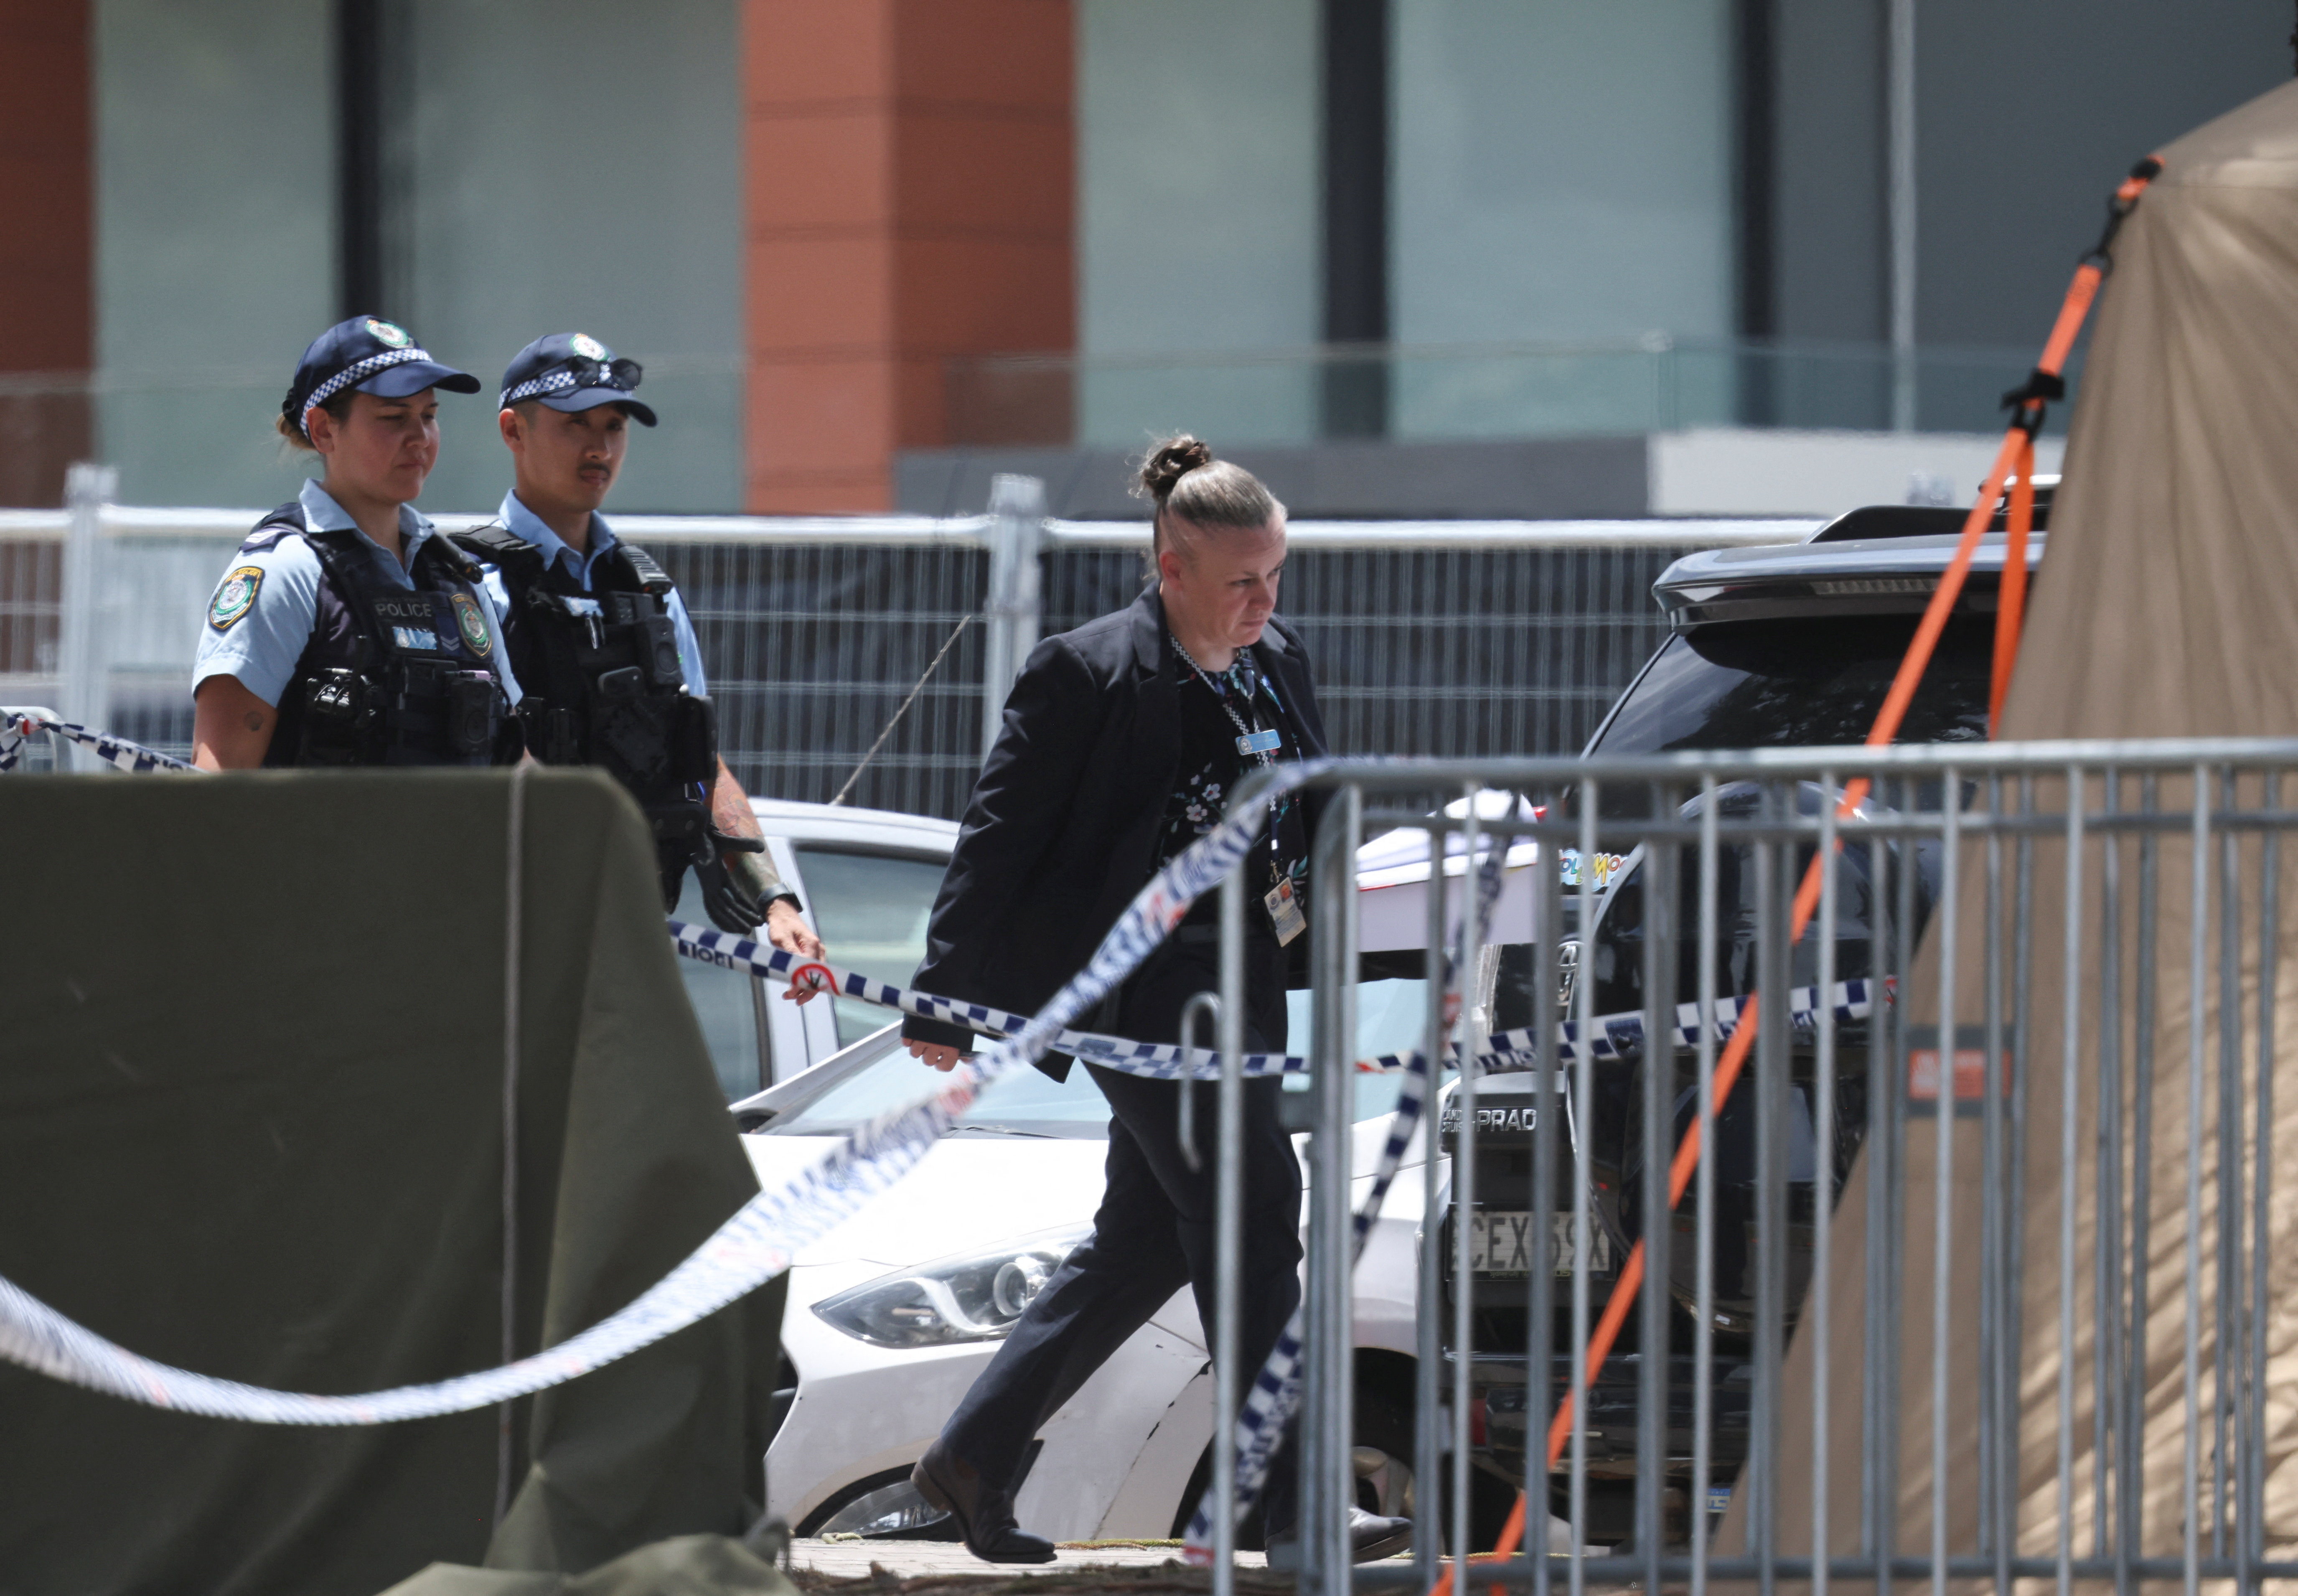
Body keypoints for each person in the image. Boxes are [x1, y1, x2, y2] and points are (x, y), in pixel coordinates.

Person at [897, 438, 1407, 1565]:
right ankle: (1297, 1504)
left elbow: (1306, 826)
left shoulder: (1280, 659)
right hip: (1138, 988)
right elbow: (999, 836)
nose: (1263, 601)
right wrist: (945, 993)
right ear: (1169, 567)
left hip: (1247, 986)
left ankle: (972, 1454)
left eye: (1275, 575)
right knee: (1254, 1207)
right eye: (1239, 580)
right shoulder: (1085, 673)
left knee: (1142, 1241)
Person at [452, 332, 821, 953]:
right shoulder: (469, 584)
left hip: (634, 929)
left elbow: (699, 758)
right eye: (575, 426)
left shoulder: (649, 590)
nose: (599, 448)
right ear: (513, 432)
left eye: (615, 426)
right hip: (506, 934)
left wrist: (773, 899)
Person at [193, 316, 522, 770]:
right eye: (394, 418)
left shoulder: (458, 578)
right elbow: (219, 780)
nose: (420, 438)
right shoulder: (286, 572)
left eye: (429, 416)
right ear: (325, 430)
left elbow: (516, 761)